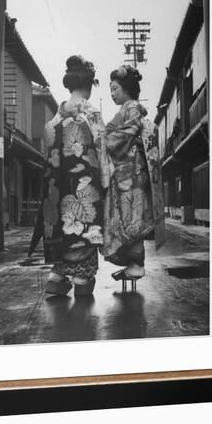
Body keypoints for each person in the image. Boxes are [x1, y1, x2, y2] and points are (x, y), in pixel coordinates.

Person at [42, 55, 109, 296]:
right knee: (86, 228)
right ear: (89, 85)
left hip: (60, 188)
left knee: (64, 229)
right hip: (85, 186)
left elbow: (49, 152)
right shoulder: (91, 114)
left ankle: (57, 277)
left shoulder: (56, 117)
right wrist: (105, 183)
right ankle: (81, 280)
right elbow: (102, 152)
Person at [101, 65, 165, 291]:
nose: (112, 93)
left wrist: (105, 139)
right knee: (126, 217)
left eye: (115, 88)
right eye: (110, 89)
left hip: (131, 173)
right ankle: (133, 262)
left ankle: (136, 264)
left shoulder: (133, 109)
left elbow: (124, 134)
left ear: (126, 88)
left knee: (131, 218)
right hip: (125, 172)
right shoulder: (128, 109)